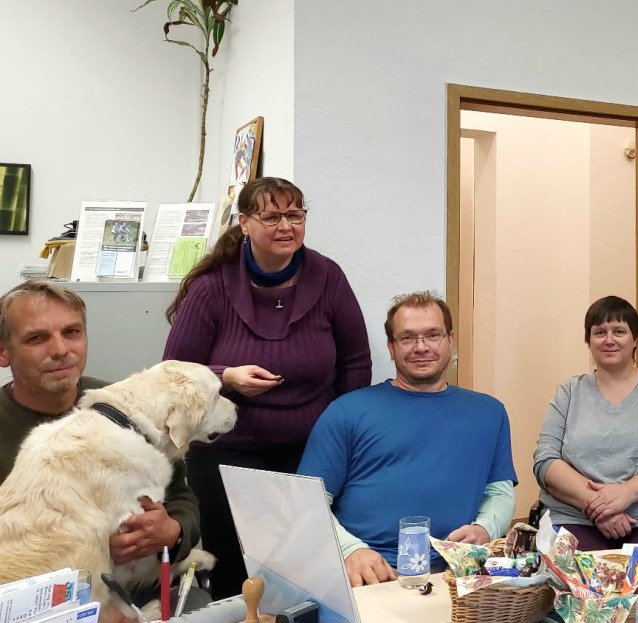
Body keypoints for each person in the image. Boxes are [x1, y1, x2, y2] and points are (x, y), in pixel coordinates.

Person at [163, 176, 372, 599]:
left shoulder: (328, 277)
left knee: (307, 568)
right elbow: (174, 372)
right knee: (238, 575)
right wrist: (227, 378)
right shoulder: (212, 287)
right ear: (244, 223)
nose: (285, 226)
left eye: (295, 215)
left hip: (310, 453)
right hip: (226, 455)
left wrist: (343, 433)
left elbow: (355, 361)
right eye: (271, 216)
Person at [297, 291, 516, 587]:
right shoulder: (346, 412)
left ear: (451, 341)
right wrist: (352, 551)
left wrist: (485, 529)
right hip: (369, 577)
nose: (421, 347)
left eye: (433, 335)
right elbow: (306, 503)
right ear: (391, 347)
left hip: (456, 577)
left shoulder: (490, 412)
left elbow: (500, 493)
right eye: (407, 338)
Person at [0, 280, 201, 592]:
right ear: (3, 352)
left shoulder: (129, 407)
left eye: (72, 332)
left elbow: (180, 497)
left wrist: (172, 532)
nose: (61, 350)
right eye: (36, 338)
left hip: (136, 593)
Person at [533, 295, 638, 551]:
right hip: (577, 520)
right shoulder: (568, 392)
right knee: (578, 586)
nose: (609, 340)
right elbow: (545, 461)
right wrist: (597, 505)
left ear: (635, 339)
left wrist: (627, 493)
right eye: (600, 332)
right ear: (588, 340)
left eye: (619, 331)